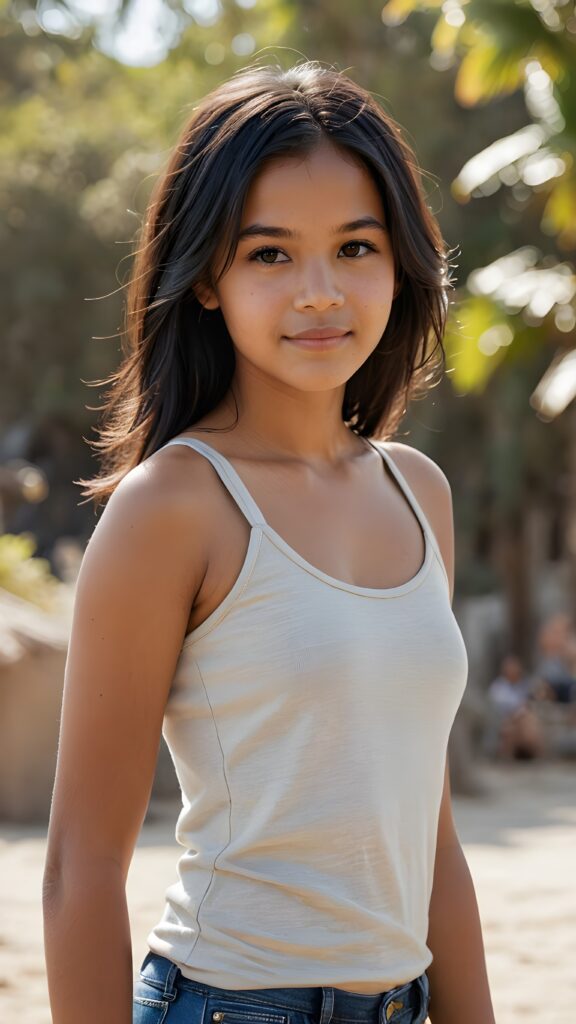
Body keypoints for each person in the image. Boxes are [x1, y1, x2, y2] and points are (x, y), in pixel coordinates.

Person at [42, 61, 495, 1024]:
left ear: (399, 259)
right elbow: (82, 864)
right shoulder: (173, 507)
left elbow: (432, 837)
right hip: (229, 1004)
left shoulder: (419, 493)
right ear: (206, 276)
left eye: (356, 247)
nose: (322, 293)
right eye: (271, 255)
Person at [484, 654, 546, 760]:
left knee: (529, 720)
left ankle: (534, 754)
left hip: (521, 722)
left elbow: (532, 701)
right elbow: (498, 710)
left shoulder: (525, 685)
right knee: (524, 722)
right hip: (505, 720)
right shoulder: (498, 687)